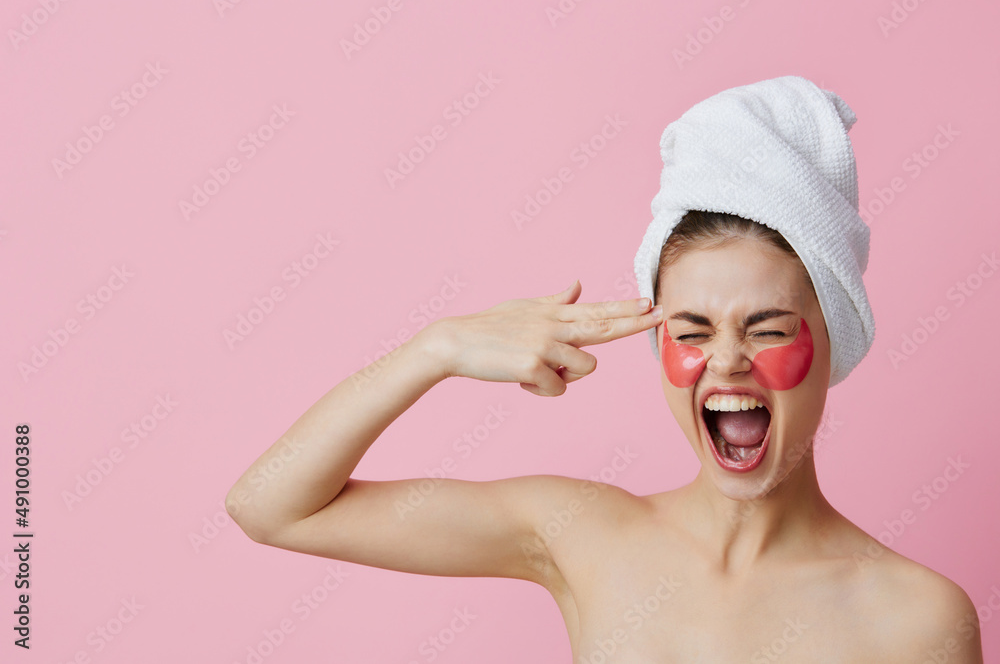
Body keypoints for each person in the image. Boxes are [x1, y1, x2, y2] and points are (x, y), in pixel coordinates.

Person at [226, 78, 984, 662]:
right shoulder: (582, 535)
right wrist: (440, 348)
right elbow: (273, 505)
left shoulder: (917, 617)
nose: (725, 359)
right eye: (691, 329)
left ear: (835, 336)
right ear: (660, 348)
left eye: (768, 328)